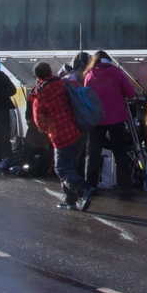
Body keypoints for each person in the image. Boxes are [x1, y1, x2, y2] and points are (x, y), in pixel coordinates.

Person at [30, 61, 95, 211]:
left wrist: (49, 130)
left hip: (61, 136)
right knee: (71, 166)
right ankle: (69, 200)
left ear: (37, 76)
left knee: (62, 169)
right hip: (78, 130)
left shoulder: (40, 94)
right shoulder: (66, 83)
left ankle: (84, 190)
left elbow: (39, 122)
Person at [83, 50, 137, 190]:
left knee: (93, 153)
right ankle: (124, 186)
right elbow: (131, 93)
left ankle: (90, 185)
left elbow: (85, 96)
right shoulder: (117, 73)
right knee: (120, 153)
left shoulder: (89, 75)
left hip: (96, 119)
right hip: (116, 118)